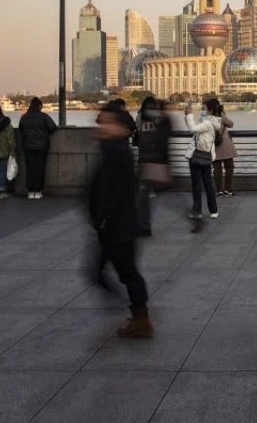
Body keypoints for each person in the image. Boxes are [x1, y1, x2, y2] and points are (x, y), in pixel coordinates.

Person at [89, 104, 152, 338]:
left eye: (106, 122)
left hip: (117, 226)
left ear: (121, 128)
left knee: (125, 273)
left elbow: (113, 191)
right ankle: (137, 313)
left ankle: (140, 317)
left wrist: (103, 219)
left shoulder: (117, 152)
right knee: (117, 272)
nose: (101, 126)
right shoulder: (113, 149)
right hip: (114, 225)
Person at [135, 97, 172, 237]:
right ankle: (144, 226)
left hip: (149, 161)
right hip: (154, 161)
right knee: (144, 197)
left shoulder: (144, 118)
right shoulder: (159, 119)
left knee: (143, 197)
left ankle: (144, 226)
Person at [185, 98, 223, 229]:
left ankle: (198, 211)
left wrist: (188, 115)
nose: (201, 110)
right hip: (206, 156)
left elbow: (192, 129)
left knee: (197, 185)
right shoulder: (211, 121)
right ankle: (213, 210)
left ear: (210, 110)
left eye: (203, 108)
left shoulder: (208, 123)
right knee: (208, 184)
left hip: (197, 155)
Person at [18, 97, 57, 199]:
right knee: (40, 168)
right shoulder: (44, 116)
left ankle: (30, 191)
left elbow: (20, 129)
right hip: (41, 147)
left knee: (30, 168)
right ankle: (38, 191)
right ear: (40, 106)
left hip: (28, 147)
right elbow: (53, 127)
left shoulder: (24, 117)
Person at [209, 98, 238, 197]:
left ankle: (219, 190)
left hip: (214, 146)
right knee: (229, 167)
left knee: (217, 169)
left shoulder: (206, 118)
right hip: (225, 145)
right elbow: (231, 124)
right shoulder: (221, 116)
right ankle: (228, 190)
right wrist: (223, 113)